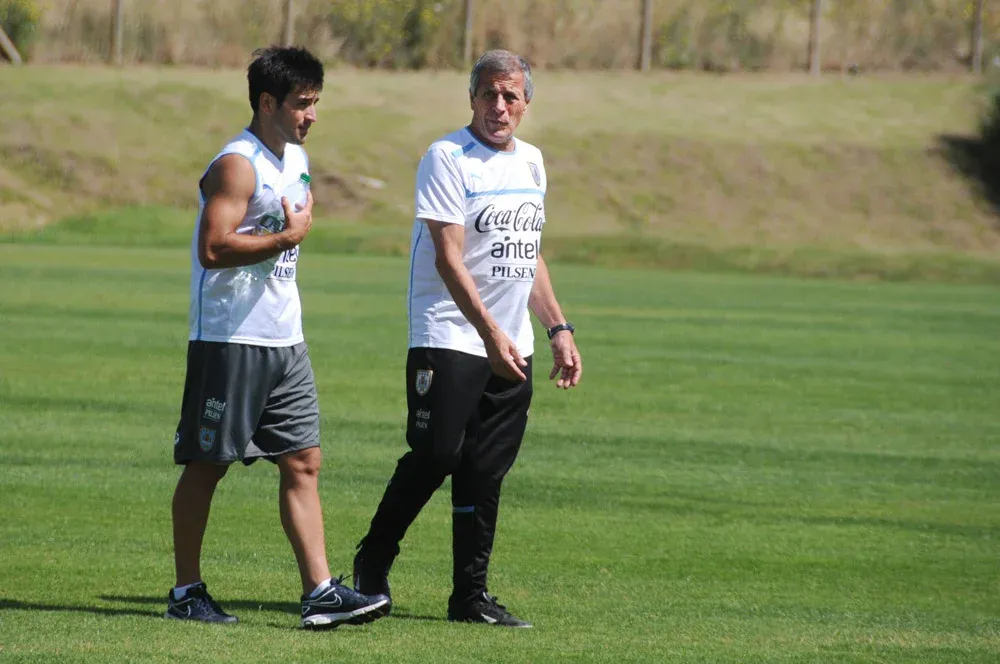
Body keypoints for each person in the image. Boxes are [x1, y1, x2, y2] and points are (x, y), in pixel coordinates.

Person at [352, 49, 582, 628]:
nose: (498, 106)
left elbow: (528, 256)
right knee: (436, 454)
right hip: (450, 331)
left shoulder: (533, 163)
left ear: (526, 104)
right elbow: (448, 257)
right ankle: (372, 561)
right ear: (472, 98)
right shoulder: (447, 157)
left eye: (510, 96)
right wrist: (489, 333)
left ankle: (470, 597)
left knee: (485, 470)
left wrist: (557, 328)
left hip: (511, 342)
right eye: (488, 94)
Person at [165, 46, 388, 630]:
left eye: (315, 103)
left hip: (286, 339)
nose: (312, 115)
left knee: (304, 460)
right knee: (207, 464)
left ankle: (319, 593)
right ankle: (186, 591)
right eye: (302, 103)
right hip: (230, 339)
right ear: (267, 103)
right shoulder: (237, 165)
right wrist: (286, 238)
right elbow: (213, 248)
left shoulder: (296, 158)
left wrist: (286, 238)